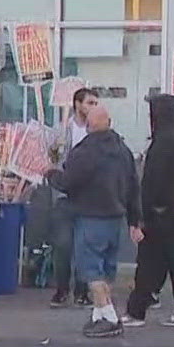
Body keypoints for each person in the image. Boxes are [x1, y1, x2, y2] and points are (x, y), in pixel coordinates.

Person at [46, 98, 141, 338]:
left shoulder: (85, 152)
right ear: (109, 123)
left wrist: (50, 173)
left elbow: (68, 183)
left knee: (91, 271)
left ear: (88, 125)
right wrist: (134, 220)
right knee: (106, 269)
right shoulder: (123, 151)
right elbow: (133, 186)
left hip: (90, 216)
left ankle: (109, 316)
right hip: (115, 218)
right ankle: (99, 315)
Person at [123, 95, 174, 328]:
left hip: (157, 213)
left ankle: (136, 311)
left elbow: (151, 183)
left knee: (147, 263)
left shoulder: (161, 143)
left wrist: (139, 217)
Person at [47, 87, 97, 308]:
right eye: (90, 103)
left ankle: (81, 290)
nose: (93, 107)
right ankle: (61, 288)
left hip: (88, 195)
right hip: (64, 195)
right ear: (77, 104)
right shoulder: (63, 130)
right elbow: (51, 157)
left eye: (96, 103)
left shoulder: (95, 130)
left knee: (84, 245)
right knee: (63, 244)